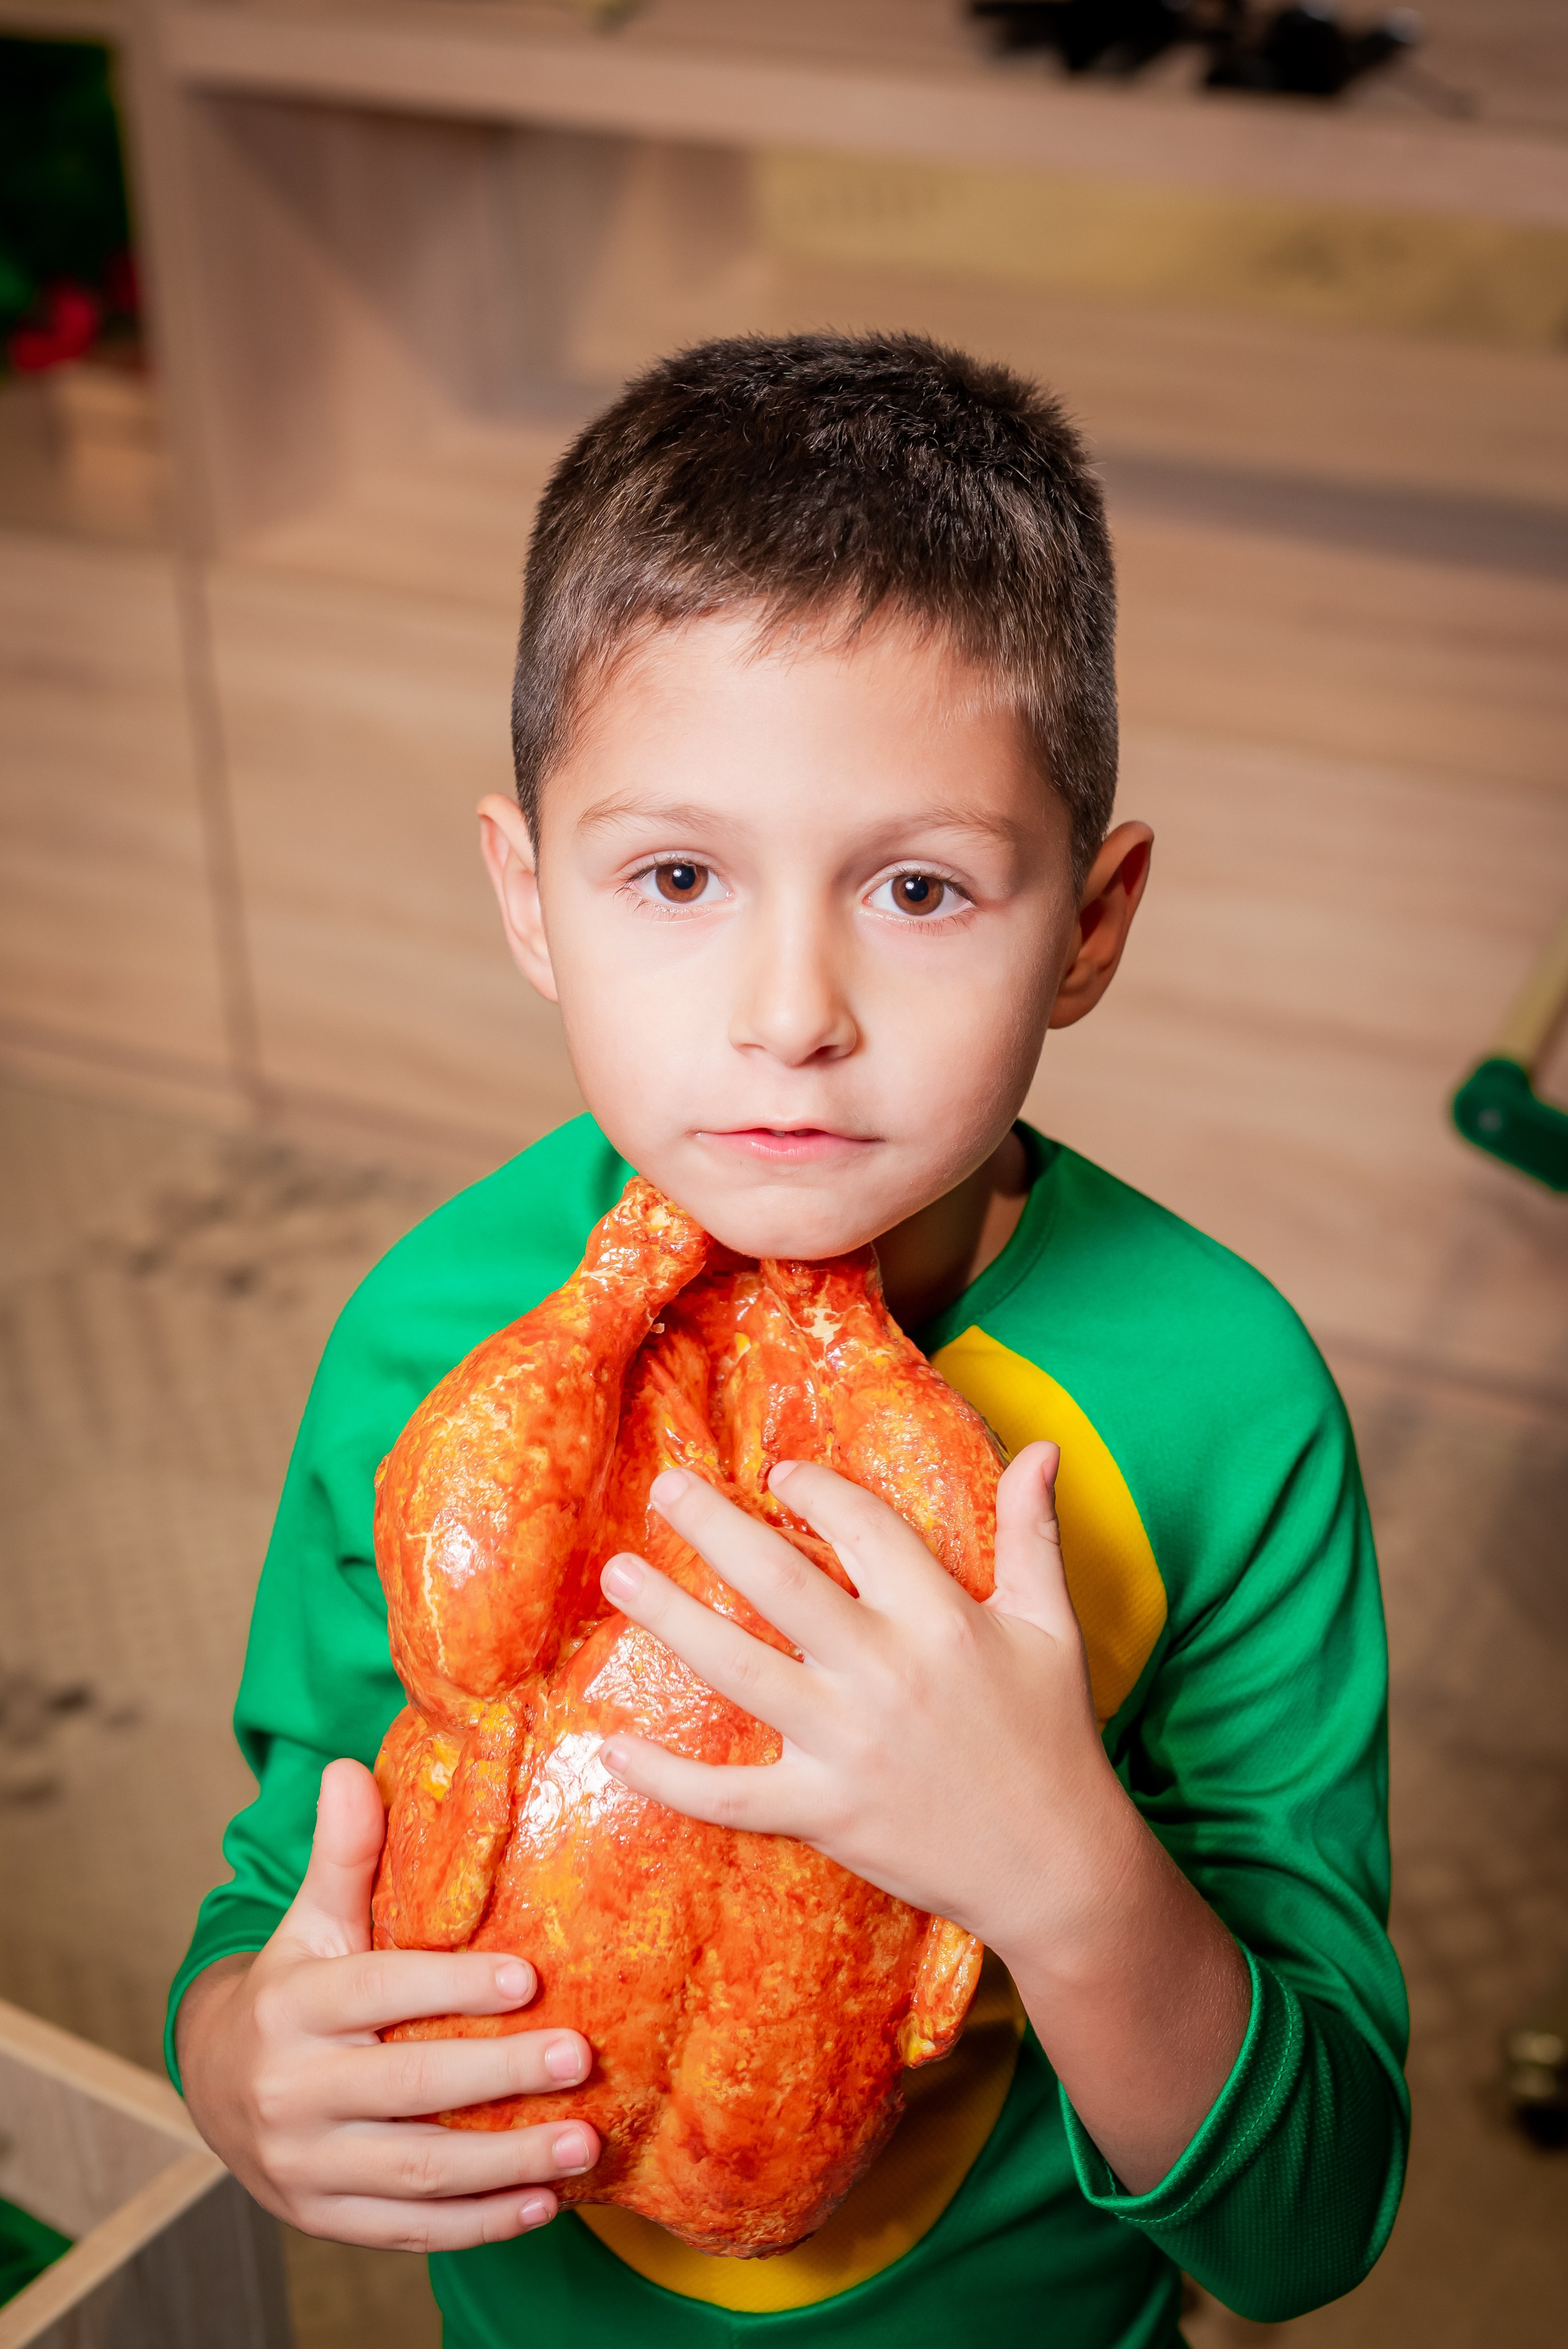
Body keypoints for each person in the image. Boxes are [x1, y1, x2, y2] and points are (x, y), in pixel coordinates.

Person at [167, 333, 1408, 2348]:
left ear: (1089, 922)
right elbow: (292, 1846)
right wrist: (243, 2058)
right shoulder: (434, 1340)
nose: (788, 1011)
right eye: (675, 875)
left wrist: (1060, 1867)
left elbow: (1310, 2220)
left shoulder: (1220, 1403)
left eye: (918, 886)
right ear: (529, 894)